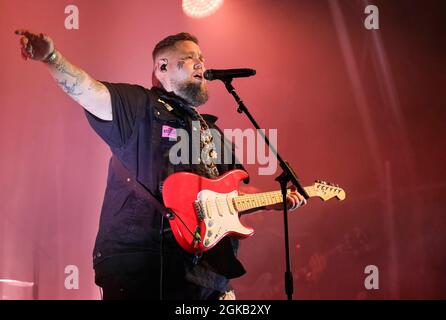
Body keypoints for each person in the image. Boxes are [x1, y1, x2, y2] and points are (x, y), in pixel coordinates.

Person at [15, 30, 307, 300]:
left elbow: (228, 198)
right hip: (146, 267)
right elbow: (88, 91)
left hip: (208, 275)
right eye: (189, 58)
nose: (200, 63)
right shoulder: (139, 107)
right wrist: (52, 58)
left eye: (202, 58)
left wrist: (272, 201)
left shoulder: (212, 133)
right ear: (162, 68)